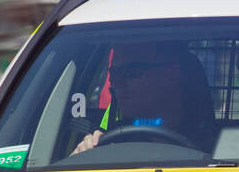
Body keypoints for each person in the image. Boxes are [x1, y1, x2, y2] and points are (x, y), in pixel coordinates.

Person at [72, 41, 213, 154]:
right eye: (114, 72)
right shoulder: (107, 144)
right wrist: (80, 157)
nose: (116, 83)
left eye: (131, 71)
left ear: (172, 74)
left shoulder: (218, 150)